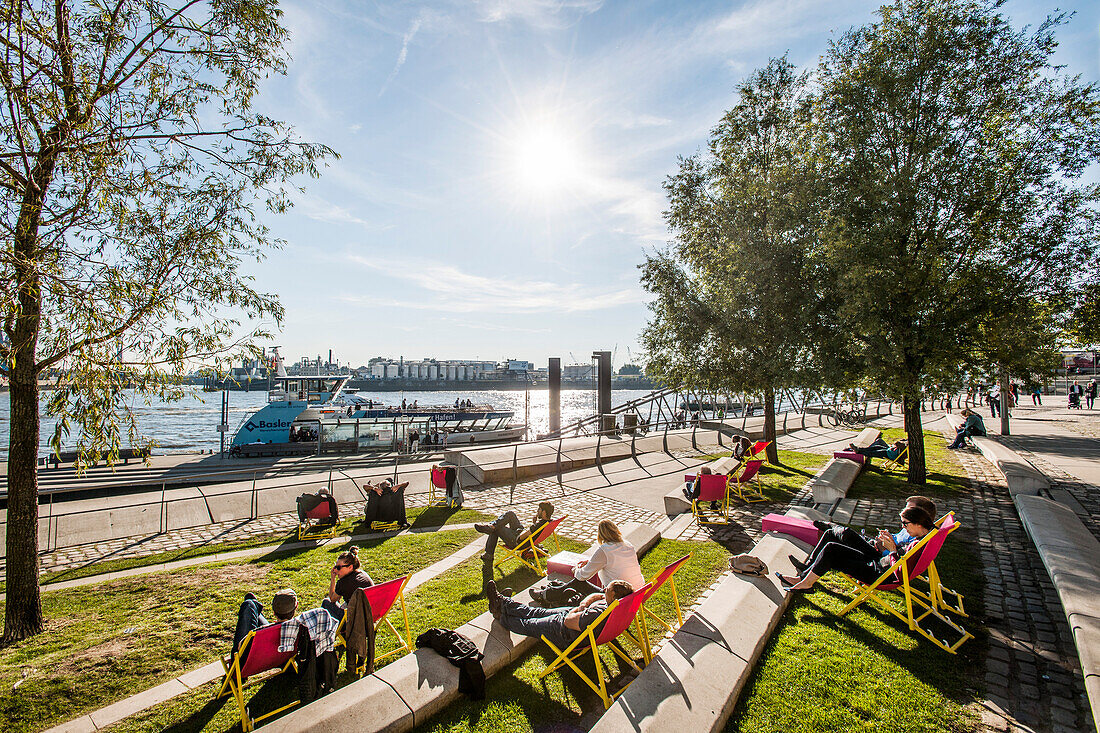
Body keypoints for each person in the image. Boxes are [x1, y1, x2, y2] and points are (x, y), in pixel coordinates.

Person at [777, 506, 935, 592]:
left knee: (832, 547)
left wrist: (892, 550)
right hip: (880, 563)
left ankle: (805, 582)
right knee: (833, 539)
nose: (903, 527)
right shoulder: (925, 537)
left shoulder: (917, 544)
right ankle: (804, 577)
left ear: (918, 524)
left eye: (905, 524)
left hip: (881, 573)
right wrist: (890, 545)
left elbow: (900, 573)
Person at [486, 579, 634, 652]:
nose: (604, 590)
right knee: (536, 612)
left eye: (607, 589)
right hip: (572, 617)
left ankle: (501, 614)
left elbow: (569, 622)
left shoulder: (597, 614)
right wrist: (583, 606)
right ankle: (502, 602)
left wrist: (580, 608)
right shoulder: (616, 605)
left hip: (564, 632)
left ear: (613, 594)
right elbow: (598, 595)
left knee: (528, 624)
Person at [475, 501, 554, 584]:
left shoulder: (539, 525)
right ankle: (491, 526)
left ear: (544, 512)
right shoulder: (548, 523)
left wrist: (518, 534)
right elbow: (534, 533)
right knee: (510, 514)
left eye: (539, 510)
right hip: (524, 536)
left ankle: (489, 552)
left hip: (516, 541)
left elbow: (521, 538)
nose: (538, 511)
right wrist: (532, 525)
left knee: (497, 529)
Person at [570, 520, 645, 595]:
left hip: (620, 596)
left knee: (578, 583)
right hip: (639, 590)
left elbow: (582, 576)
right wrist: (590, 561)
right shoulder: (628, 545)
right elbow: (616, 561)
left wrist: (576, 569)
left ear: (600, 535)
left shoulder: (605, 550)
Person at [231, 589, 299, 658]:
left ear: (274, 612)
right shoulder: (300, 628)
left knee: (249, 603)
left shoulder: (257, 634)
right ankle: (253, 603)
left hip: (246, 661)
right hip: (274, 659)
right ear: (296, 606)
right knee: (251, 603)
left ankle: (253, 603)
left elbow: (240, 646)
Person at [322, 546, 373, 621]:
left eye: (339, 567)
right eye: (335, 567)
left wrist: (333, 578)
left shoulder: (343, 583)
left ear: (350, 567)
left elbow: (332, 599)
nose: (335, 570)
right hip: (370, 616)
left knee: (326, 602)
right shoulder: (363, 574)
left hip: (354, 622)